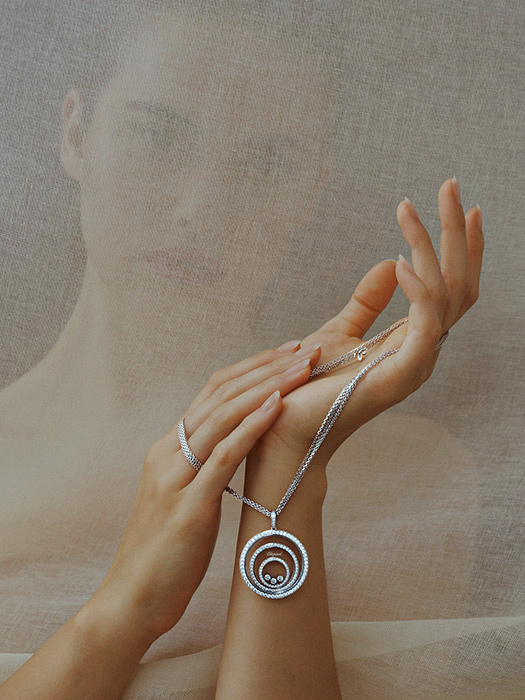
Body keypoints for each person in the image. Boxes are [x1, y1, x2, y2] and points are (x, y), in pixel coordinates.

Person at [0, 3, 485, 698]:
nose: (199, 208)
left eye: (265, 165)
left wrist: (288, 461)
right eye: (157, 137)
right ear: (75, 135)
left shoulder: (413, 475)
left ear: (310, 191)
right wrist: (127, 606)